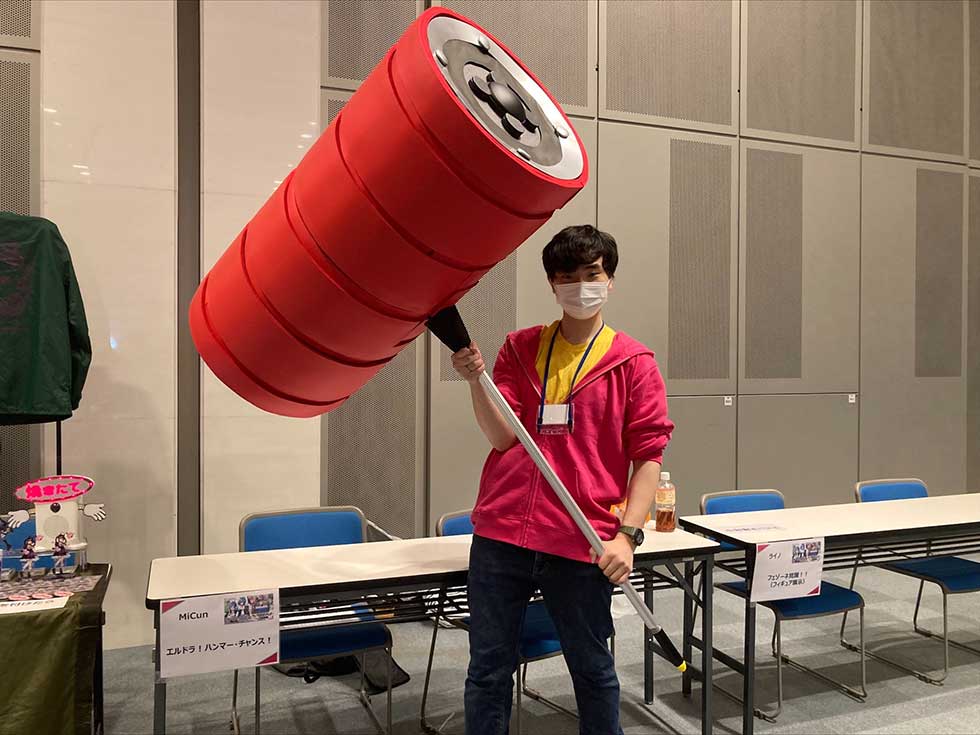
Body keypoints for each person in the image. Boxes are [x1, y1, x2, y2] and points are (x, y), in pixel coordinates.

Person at [452, 225, 674, 735]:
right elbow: (502, 437)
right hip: (503, 535)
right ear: (553, 284)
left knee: (592, 671)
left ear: (610, 280)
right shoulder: (521, 347)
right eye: (567, 276)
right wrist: (475, 381)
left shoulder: (634, 364)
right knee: (488, 671)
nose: (581, 286)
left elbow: (647, 457)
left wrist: (627, 536)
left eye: (592, 274)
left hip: (581, 540)